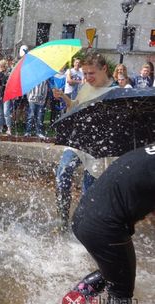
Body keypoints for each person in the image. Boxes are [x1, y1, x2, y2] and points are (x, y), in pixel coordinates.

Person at [67, 144, 155, 304]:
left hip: (83, 215)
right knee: (122, 295)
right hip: (104, 226)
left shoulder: (149, 152)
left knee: (115, 271)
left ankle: (73, 299)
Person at [52, 52, 117, 231]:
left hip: (99, 148)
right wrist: (64, 98)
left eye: (91, 73)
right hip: (78, 140)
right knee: (63, 173)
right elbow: (75, 107)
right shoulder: (86, 87)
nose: (87, 78)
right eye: (85, 73)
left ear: (104, 69)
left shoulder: (116, 92)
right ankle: (62, 222)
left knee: (89, 194)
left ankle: (82, 229)